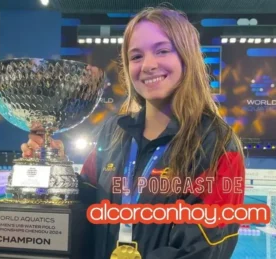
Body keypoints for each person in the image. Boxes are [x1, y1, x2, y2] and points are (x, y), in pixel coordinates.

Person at [21, 6, 245, 259]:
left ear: (186, 57)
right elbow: (87, 201)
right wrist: (54, 166)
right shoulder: (113, 132)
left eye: (162, 50)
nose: (148, 65)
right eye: (136, 56)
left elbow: (204, 249)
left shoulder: (217, 143)